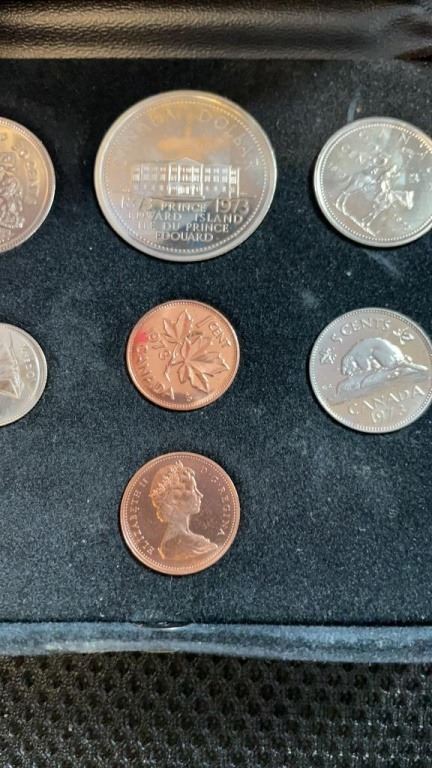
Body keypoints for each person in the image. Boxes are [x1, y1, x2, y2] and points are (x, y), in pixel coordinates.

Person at [149, 460, 218, 561]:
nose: (200, 495)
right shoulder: (175, 545)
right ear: (175, 499)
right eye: (193, 489)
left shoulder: (190, 540)